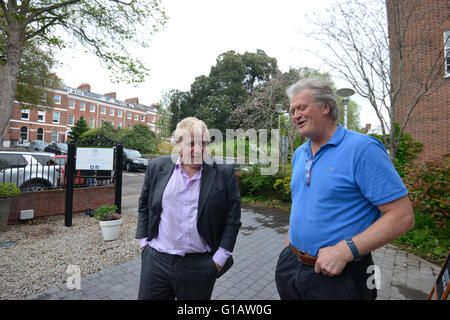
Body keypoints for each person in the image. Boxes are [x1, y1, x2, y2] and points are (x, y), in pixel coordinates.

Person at [275, 79, 415, 300]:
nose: (295, 115)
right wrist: (289, 247)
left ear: (325, 107)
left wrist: (346, 250)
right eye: (292, 110)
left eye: (301, 107)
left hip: (341, 275)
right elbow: (301, 203)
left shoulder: (363, 149)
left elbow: (402, 216)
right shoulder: (300, 154)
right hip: (292, 267)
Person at [136, 117, 241, 300]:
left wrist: (219, 259)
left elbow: (232, 218)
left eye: (203, 144)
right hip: (156, 261)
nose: (199, 150)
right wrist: (144, 243)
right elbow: (144, 204)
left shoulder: (223, 172)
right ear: (178, 145)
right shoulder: (157, 167)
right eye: (192, 143)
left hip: (199, 266)